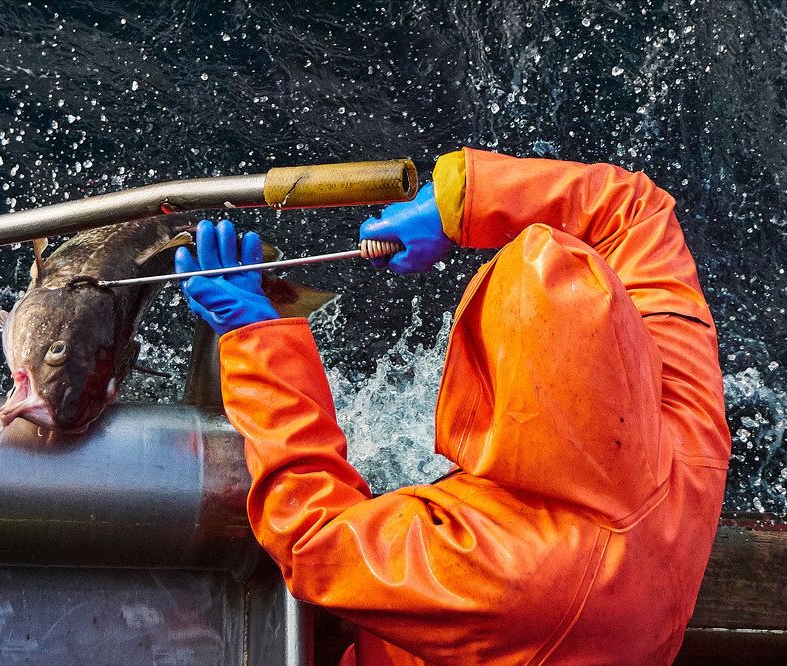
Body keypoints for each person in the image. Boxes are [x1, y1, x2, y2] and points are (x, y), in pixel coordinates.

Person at [174, 148, 731, 665]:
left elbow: (311, 536)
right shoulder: (684, 426)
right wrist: (459, 201)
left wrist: (258, 340)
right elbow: (635, 210)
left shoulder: (504, 570)